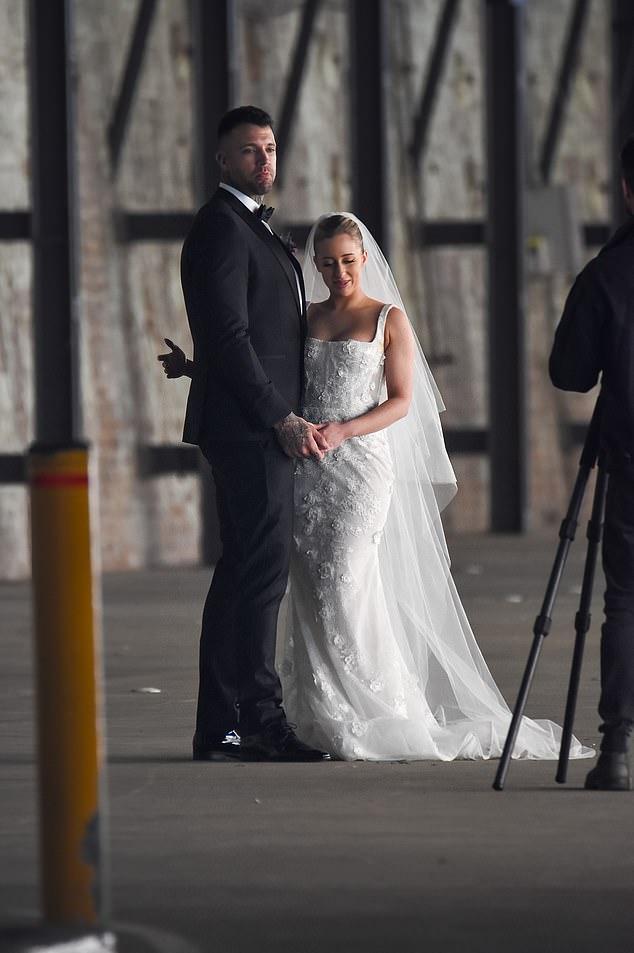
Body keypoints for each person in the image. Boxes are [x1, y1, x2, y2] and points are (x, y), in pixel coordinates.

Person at [162, 211, 594, 763]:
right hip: (308, 466)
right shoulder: (308, 315)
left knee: (347, 581)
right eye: (326, 262)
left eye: (347, 260)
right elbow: (267, 370)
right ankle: (318, 713)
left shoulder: (389, 318)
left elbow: (402, 401)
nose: (339, 271)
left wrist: (343, 428)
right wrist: (196, 370)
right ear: (315, 265)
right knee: (310, 590)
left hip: (359, 467)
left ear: (364, 258)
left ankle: (378, 710)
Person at [177, 104, 330, 763]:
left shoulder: (251, 229)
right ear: (222, 160)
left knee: (243, 571)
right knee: (261, 573)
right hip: (251, 429)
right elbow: (231, 337)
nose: (264, 160)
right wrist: (281, 415)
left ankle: (222, 724)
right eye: (249, 151)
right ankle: (259, 718)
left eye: (269, 148)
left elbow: (246, 334)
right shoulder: (220, 228)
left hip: (251, 423)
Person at [549, 134, 634, 791]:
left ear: (628, 191)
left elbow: (571, 373)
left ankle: (616, 751)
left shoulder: (607, 274)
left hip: (629, 453)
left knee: (625, 602)